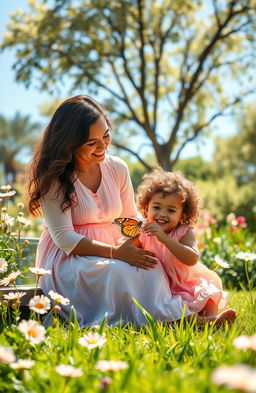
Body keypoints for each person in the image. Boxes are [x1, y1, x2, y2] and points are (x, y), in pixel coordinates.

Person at [28, 95, 196, 327]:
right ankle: (167, 322)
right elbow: (64, 238)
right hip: (70, 258)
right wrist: (116, 253)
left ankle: (171, 318)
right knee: (117, 272)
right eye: (91, 143)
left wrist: (137, 245)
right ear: (69, 143)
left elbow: (129, 218)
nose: (102, 146)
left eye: (105, 135)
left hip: (117, 247)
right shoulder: (55, 178)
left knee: (150, 266)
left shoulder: (116, 167)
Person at [135, 168, 237, 325]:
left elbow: (192, 258)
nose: (162, 213)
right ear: (146, 208)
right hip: (160, 284)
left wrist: (164, 239)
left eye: (171, 210)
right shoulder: (142, 229)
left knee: (207, 294)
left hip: (186, 281)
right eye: (156, 207)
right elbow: (127, 246)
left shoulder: (183, 231)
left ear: (182, 215)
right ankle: (205, 322)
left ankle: (212, 317)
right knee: (171, 309)